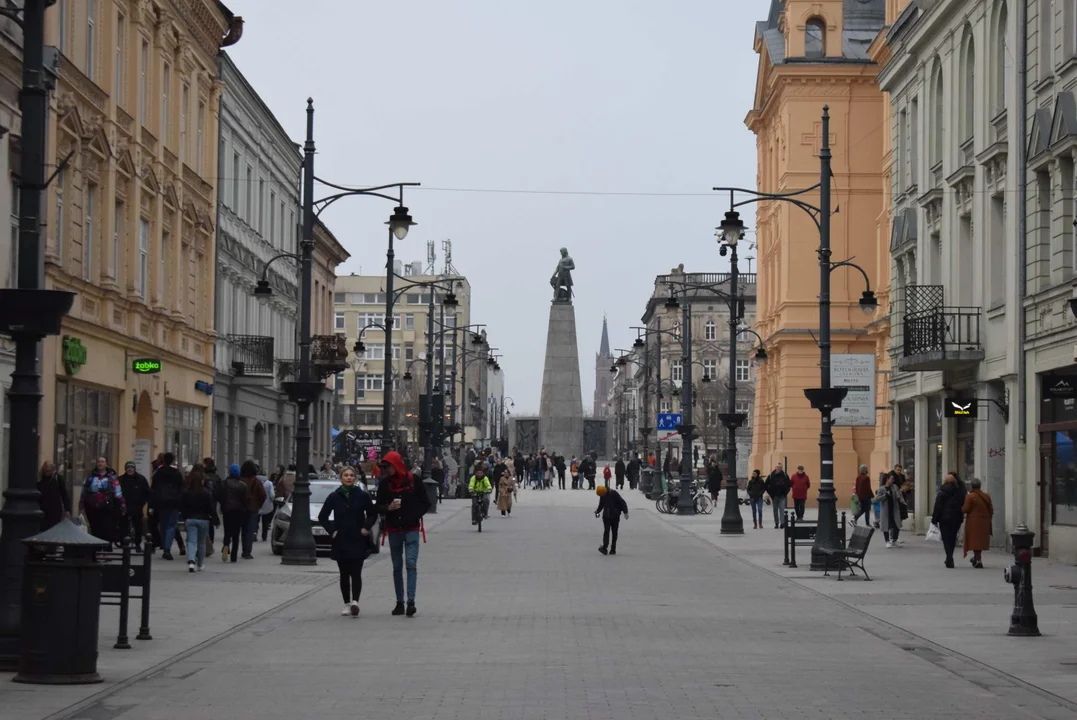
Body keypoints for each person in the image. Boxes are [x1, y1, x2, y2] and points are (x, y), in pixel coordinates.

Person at [376, 450, 431, 617]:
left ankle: (411, 602)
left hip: (411, 529)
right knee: (397, 567)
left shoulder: (414, 480)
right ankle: (399, 602)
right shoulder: (385, 484)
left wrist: (414, 514)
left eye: (389, 466)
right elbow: (378, 505)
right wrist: (387, 508)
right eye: (385, 467)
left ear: (397, 465)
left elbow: (425, 502)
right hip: (394, 529)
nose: (387, 470)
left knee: (411, 564)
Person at [319, 465, 377, 617]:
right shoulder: (334, 496)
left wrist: (366, 527)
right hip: (341, 539)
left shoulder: (362, 495)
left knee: (356, 572)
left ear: (355, 478)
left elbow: (372, 514)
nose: (349, 477)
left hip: (358, 538)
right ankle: (346, 603)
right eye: (346, 475)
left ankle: (355, 602)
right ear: (341, 478)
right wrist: (332, 530)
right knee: (344, 573)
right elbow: (322, 516)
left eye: (351, 475)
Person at [180, 464, 218, 573]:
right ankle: (200, 564)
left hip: (190, 520)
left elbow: (182, 506)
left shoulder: (186, 492)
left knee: (191, 541)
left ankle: (191, 561)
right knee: (201, 543)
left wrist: (185, 517)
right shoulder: (206, 493)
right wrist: (215, 520)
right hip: (203, 520)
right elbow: (211, 508)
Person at [151, 452, 185, 560]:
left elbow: (153, 488)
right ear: (173, 460)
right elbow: (181, 488)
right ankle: (167, 549)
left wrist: (152, 503)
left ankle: (164, 545)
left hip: (161, 502)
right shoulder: (177, 473)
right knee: (171, 526)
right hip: (173, 502)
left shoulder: (158, 473)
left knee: (164, 525)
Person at [81, 457, 124, 543]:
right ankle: (96, 547)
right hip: (92, 506)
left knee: (107, 527)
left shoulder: (112, 477)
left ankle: (106, 547)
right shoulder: (90, 477)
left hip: (107, 506)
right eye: (98, 462)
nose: (100, 463)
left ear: (106, 464)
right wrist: (81, 504)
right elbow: (84, 491)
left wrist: (122, 504)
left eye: (102, 462)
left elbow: (118, 492)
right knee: (95, 527)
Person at [932, 471, 968, 568]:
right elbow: (963, 504)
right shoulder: (960, 492)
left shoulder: (942, 491)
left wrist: (934, 519)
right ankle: (949, 557)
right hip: (956, 518)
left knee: (946, 538)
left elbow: (938, 506)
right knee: (952, 538)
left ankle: (949, 557)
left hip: (944, 519)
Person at [220, 464, 250, 563]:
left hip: (227, 511)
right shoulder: (243, 485)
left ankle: (226, 545)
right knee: (236, 534)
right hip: (239, 512)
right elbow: (246, 500)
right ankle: (233, 557)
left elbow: (220, 496)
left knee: (227, 531)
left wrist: (223, 505)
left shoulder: (224, 483)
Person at [962, 477, 994, 569]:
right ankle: (977, 558)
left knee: (975, 541)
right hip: (984, 522)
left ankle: (978, 560)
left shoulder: (970, 496)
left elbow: (965, 509)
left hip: (973, 522)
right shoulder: (986, 496)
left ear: (972, 487)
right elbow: (991, 510)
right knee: (979, 541)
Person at [119, 462, 150, 550]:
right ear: (125, 469)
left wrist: (142, 503)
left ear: (134, 469)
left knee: (138, 526)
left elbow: (147, 492)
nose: (130, 469)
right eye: (128, 467)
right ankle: (124, 543)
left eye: (131, 467)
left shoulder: (141, 479)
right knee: (123, 526)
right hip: (124, 507)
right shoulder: (121, 479)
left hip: (137, 507)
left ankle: (137, 544)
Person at [239, 461, 267, 559]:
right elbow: (263, 495)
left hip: (242, 508)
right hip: (253, 508)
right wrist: (258, 505)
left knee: (243, 529)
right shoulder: (256, 481)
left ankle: (243, 549)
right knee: (250, 530)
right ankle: (247, 552)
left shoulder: (240, 480)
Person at [594, 485, 628, 555]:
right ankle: (605, 548)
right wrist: (597, 511)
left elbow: (622, 502)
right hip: (606, 516)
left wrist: (625, 512)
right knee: (606, 531)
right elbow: (601, 504)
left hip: (615, 516)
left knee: (614, 532)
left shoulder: (614, 493)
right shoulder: (602, 495)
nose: (601, 496)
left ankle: (613, 549)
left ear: (604, 491)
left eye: (602, 494)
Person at [37, 461, 70, 531]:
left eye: (49, 471)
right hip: (43, 510)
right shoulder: (40, 479)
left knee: (53, 529)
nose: (47, 473)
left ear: (52, 470)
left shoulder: (58, 479)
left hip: (55, 510)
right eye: (46, 471)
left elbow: (64, 494)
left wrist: (67, 509)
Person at [876, 474, 903, 548]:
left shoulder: (894, 487)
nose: (893, 480)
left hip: (894, 509)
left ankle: (894, 540)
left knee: (897, 525)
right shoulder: (881, 489)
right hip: (886, 510)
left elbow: (899, 495)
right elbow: (877, 499)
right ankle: (887, 541)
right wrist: (885, 495)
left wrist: (901, 500)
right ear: (887, 479)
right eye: (891, 479)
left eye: (893, 479)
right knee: (886, 526)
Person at [203, 458, 223, 557]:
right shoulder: (217, 477)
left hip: (203, 501)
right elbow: (220, 492)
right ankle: (210, 543)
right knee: (210, 523)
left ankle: (206, 544)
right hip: (212, 502)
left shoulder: (203, 476)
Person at [764, 464, 791, 528]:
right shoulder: (771, 475)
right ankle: (776, 523)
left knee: (782, 509)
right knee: (775, 510)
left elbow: (789, 484)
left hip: (782, 495)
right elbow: (766, 484)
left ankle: (782, 523)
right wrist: (770, 493)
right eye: (777, 467)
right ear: (775, 468)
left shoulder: (785, 475)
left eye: (780, 468)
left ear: (782, 469)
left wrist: (786, 492)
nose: (779, 469)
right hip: (774, 496)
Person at [258, 472, 275, 541]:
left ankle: (254, 533)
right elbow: (272, 495)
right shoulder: (269, 483)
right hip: (267, 504)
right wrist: (272, 500)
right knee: (265, 522)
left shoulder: (255, 481)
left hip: (257, 504)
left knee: (255, 520)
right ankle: (264, 536)